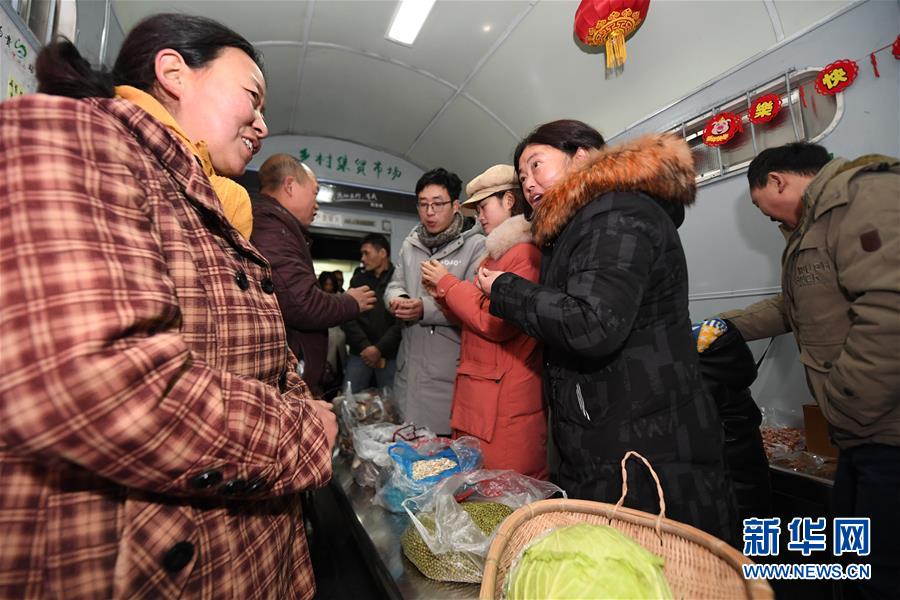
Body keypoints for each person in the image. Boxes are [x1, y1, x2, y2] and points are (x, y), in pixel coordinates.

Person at [0, 14, 338, 599]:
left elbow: (254, 352)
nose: (262, 124)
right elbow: (101, 388)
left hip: (244, 550)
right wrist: (305, 429)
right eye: (252, 98)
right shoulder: (76, 138)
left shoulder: (206, 205)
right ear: (174, 72)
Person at [477, 120, 737, 544]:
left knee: (656, 566)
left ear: (581, 156)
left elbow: (592, 324)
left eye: (536, 166)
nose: (528, 184)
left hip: (642, 442)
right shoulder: (582, 223)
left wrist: (505, 288)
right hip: (616, 431)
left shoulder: (616, 214)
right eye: (522, 177)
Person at [720, 142, 899, 598]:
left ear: (778, 180)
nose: (773, 220)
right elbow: (796, 304)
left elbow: (890, 311)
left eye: (766, 210)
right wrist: (725, 326)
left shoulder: (862, 196)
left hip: (884, 427)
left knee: (882, 571)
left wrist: (844, 399)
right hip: (859, 433)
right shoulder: (815, 225)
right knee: (852, 558)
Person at [420, 165, 547, 479]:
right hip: (483, 395)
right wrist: (442, 294)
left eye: (484, 206)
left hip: (504, 401)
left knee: (504, 493)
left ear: (508, 200)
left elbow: (496, 323)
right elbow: (473, 320)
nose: (479, 216)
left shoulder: (524, 255)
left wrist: (449, 285)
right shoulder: (495, 256)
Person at [250, 154, 376, 397]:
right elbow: (302, 303)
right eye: (314, 193)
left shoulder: (280, 228)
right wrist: (350, 301)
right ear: (290, 186)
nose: (317, 204)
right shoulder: (272, 228)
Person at [385, 168, 485, 434]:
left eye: (437, 204)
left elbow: (474, 305)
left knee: (441, 457)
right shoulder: (411, 244)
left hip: (447, 371)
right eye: (423, 204)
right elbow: (395, 284)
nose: (429, 211)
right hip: (409, 370)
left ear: (456, 206)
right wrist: (399, 299)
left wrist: (423, 309)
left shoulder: (476, 247)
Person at [342, 234, 402, 392]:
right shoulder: (357, 281)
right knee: (348, 404)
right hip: (360, 353)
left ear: (382, 253)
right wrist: (366, 347)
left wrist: (379, 349)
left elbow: (402, 321)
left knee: (391, 407)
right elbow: (348, 317)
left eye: (366, 253)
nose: (362, 258)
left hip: (389, 355)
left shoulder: (399, 280)